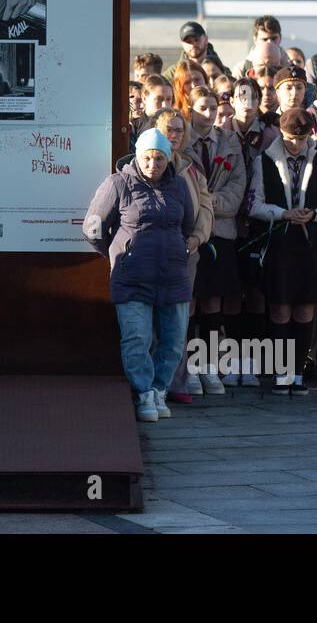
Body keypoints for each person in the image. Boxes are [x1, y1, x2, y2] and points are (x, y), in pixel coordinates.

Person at [83, 129, 194, 423]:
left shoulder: (180, 186)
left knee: (173, 340)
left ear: (168, 160)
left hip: (173, 277)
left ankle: (159, 389)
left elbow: (188, 225)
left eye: (159, 159)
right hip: (132, 277)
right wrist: (117, 254)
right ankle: (143, 392)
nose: (153, 164)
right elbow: (92, 227)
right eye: (147, 158)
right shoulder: (117, 183)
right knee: (137, 338)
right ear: (137, 156)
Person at [248, 108, 317, 395]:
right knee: (280, 308)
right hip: (281, 242)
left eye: (301, 140)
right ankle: (281, 372)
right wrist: (283, 213)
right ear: (280, 133)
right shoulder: (264, 162)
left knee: (305, 309)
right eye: (290, 139)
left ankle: (299, 372)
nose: (296, 144)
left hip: (310, 243)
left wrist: (314, 215)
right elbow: (254, 204)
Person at [184, 87, 247, 393]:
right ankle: (188, 369)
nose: (209, 114)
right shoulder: (181, 141)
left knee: (213, 302)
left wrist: (212, 204)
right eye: (202, 108)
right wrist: (201, 208)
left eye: (213, 108)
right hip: (191, 233)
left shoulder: (229, 140)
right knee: (190, 302)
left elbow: (238, 186)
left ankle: (208, 366)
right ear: (190, 109)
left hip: (221, 233)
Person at [148, 108, 212, 405]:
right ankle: (150, 384)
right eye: (167, 130)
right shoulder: (145, 162)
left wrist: (198, 236)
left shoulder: (192, 168)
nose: (173, 136)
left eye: (178, 130)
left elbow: (206, 206)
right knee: (149, 321)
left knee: (178, 319)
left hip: (186, 254)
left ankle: (176, 381)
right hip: (151, 253)